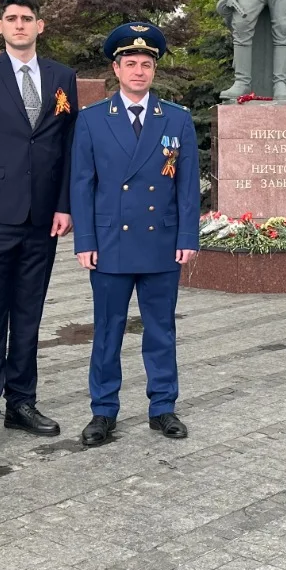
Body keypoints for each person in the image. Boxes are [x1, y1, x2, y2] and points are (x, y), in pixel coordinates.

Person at [0, 0, 79, 454]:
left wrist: (64, 204)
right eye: (12, 18)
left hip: (43, 215)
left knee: (29, 313)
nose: (20, 25)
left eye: (28, 18)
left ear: (40, 26)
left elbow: (68, 147)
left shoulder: (60, 76)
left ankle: (22, 402)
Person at [70, 22, 200, 447]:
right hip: (110, 244)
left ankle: (163, 406)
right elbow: (82, 185)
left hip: (160, 242)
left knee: (161, 329)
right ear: (116, 68)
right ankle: (103, 411)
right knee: (107, 330)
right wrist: (85, 241)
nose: (139, 71)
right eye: (131, 63)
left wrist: (187, 238)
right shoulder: (91, 120)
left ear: (154, 70)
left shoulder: (176, 119)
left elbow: (186, 185)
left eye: (146, 64)